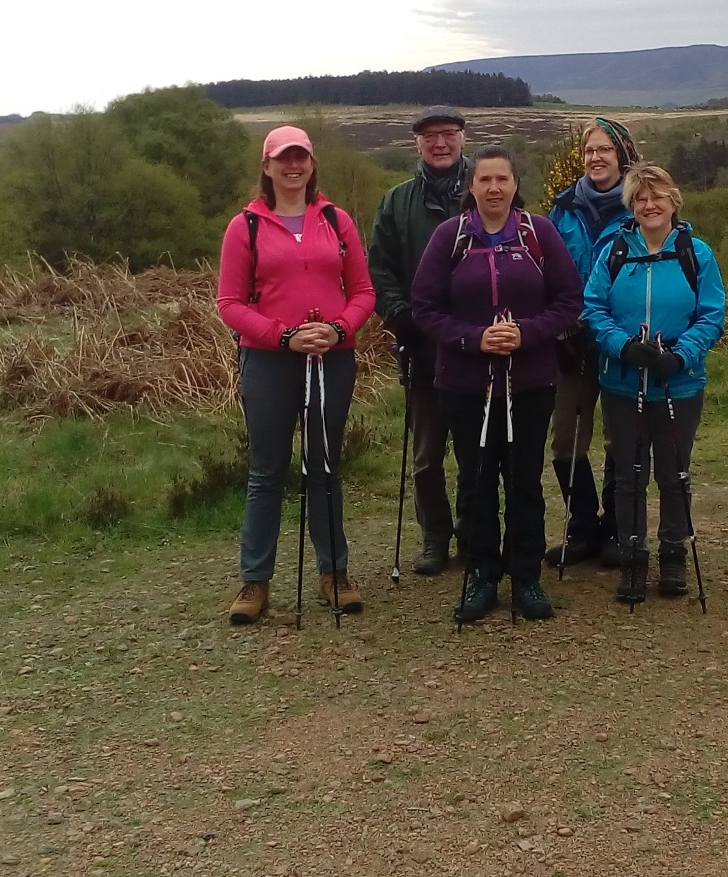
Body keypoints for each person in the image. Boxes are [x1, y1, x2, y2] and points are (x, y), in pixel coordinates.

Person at [411, 145, 582, 622]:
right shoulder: (451, 236)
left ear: (514, 185)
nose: (493, 188)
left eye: (502, 180)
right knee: (476, 480)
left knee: (525, 479)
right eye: (484, 180)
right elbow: (424, 307)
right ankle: (482, 574)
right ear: (471, 186)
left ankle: (526, 575)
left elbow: (569, 300)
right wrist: (474, 339)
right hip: (465, 383)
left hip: (530, 380)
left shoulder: (538, 233)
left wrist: (526, 333)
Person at [216, 125, 377, 625]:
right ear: (266, 167)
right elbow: (229, 304)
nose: (293, 166)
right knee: (267, 471)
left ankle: (335, 573)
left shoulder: (337, 220)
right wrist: (283, 336)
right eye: (283, 159)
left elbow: (364, 293)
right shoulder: (245, 226)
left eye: (301, 157)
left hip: (332, 357)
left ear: (311, 164)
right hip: (269, 361)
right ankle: (255, 581)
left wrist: (338, 329)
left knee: (324, 465)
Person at [581, 164, 725, 602]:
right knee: (628, 474)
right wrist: (622, 346)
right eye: (640, 198)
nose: (649, 205)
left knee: (674, 472)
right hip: (623, 383)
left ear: (673, 200)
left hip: (679, 383)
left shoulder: (695, 252)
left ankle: (673, 555)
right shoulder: (614, 252)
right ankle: (632, 558)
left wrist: (682, 355)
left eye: (657, 196)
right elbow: (592, 308)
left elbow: (712, 314)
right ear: (631, 205)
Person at [368, 105, 470, 575]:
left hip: (476, 347)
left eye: (448, 134)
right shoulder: (397, 201)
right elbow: (379, 268)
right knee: (427, 456)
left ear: (463, 139)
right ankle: (434, 534)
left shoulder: (487, 192)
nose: (440, 143)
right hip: (421, 346)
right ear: (417, 144)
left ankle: (474, 529)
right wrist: (397, 313)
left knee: (477, 449)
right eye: (430, 136)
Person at [544, 116, 640, 568]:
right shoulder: (562, 210)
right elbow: (543, 272)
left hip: (623, 343)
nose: (596, 158)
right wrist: (558, 327)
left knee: (622, 441)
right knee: (566, 441)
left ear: (622, 154)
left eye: (605, 149)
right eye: (589, 151)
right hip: (571, 343)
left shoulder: (641, 206)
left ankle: (619, 530)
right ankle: (582, 525)